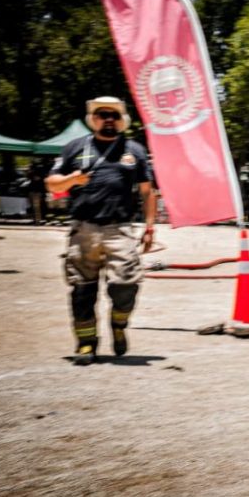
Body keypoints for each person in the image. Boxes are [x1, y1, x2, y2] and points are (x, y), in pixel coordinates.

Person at [46, 96, 156, 366]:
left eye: (114, 115)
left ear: (122, 120)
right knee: (82, 291)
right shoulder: (75, 147)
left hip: (120, 230)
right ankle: (86, 344)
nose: (108, 119)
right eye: (102, 114)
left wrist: (150, 227)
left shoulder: (135, 151)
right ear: (93, 118)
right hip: (82, 229)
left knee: (125, 287)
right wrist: (73, 178)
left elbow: (147, 192)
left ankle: (119, 325)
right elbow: (52, 184)